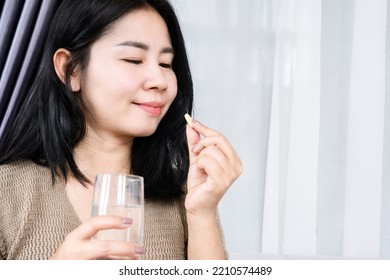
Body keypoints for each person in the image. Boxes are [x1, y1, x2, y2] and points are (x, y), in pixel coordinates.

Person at [0, 0, 242, 260]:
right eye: (133, 59)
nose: (159, 81)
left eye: (166, 63)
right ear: (71, 70)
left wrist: (202, 213)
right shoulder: (7, 190)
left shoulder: (186, 193)